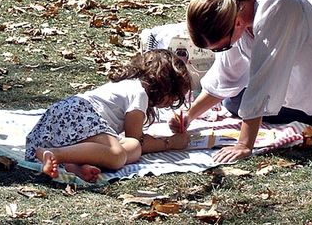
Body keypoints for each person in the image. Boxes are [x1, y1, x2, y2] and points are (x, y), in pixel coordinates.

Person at [171, 0, 312, 164]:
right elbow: (226, 78)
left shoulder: (279, 6)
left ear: (236, 22)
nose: (221, 52)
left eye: (221, 47)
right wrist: (189, 116)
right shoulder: (238, 14)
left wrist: (244, 145)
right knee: (234, 102)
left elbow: (265, 80)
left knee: (241, 104)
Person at [26, 49, 191, 183]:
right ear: (164, 85)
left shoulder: (126, 86)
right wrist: (169, 143)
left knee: (133, 147)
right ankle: (56, 154)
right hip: (80, 113)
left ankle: (74, 165)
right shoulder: (139, 93)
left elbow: (134, 142)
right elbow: (138, 136)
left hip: (61, 121)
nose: (173, 102)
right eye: (174, 97)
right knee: (117, 154)